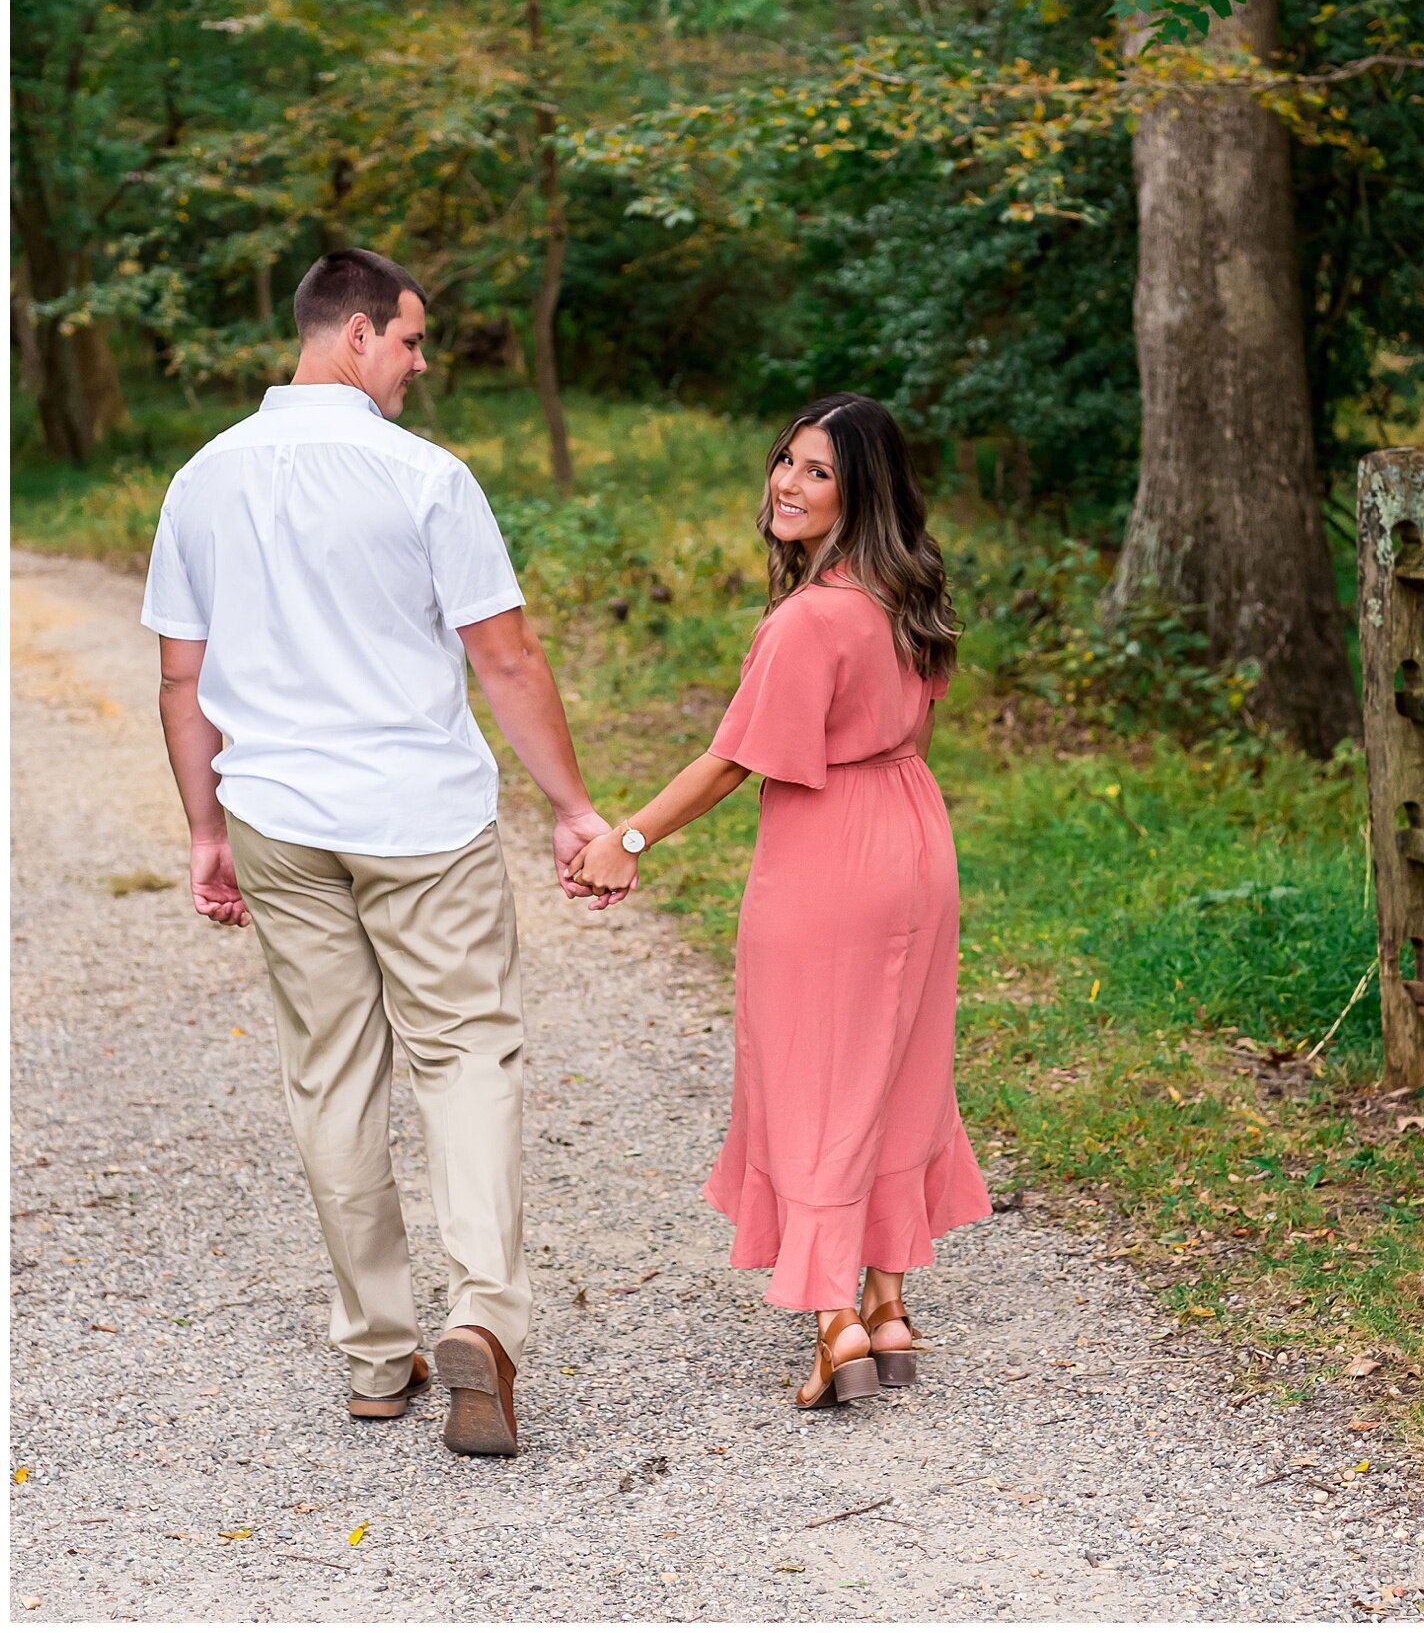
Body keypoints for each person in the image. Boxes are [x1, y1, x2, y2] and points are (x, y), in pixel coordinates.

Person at [141, 248, 625, 1458]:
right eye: (411, 340)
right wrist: (572, 807)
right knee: (465, 1055)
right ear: (355, 332)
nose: (420, 363)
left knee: (331, 1074)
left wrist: (206, 828)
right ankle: (483, 1318)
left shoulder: (201, 480)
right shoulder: (425, 477)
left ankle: (373, 1352)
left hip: (280, 818)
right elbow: (503, 658)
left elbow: (181, 677)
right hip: (419, 818)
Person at [567, 393, 992, 1409]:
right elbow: (914, 742)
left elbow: (732, 763)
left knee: (812, 1077)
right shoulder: (911, 597)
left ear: (861, 493)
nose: (787, 485)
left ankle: (835, 1316)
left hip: (829, 857)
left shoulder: (809, 621)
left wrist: (628, 838)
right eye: (786, 462)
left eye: (818, 472)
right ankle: (888, 1301)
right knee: (897, 1064)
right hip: (916, 841)